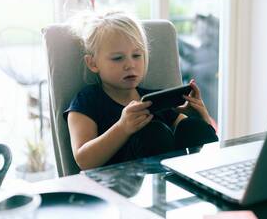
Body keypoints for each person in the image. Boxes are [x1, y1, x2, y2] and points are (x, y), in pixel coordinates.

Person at [64, 11, 218, 170]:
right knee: (153, 133)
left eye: (137, 55)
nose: (130, 65)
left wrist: (201, 117)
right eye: (118, 58)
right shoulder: (87, 101)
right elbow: (84, 160)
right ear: (93, 63)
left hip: (170, 182)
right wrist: (122, 128)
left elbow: (197, 137)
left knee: (191, 126)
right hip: (119, 185)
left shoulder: (155, 100)